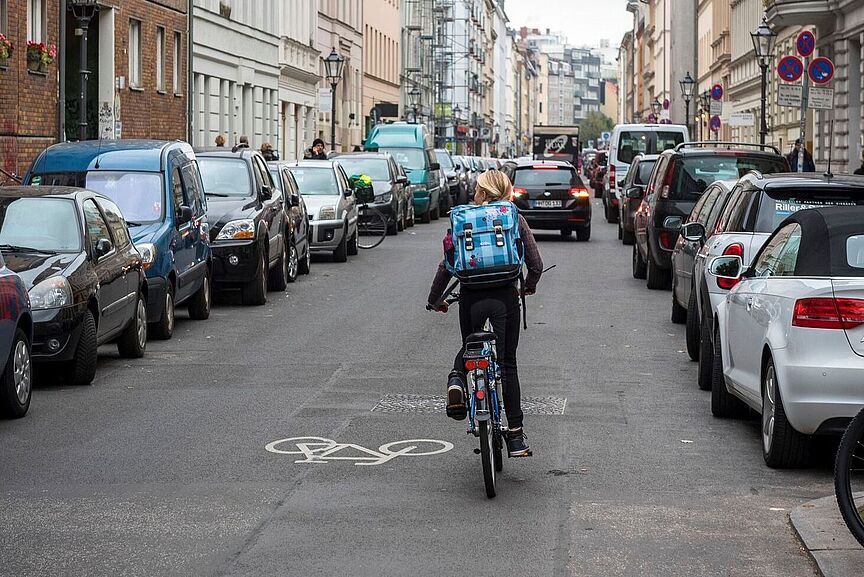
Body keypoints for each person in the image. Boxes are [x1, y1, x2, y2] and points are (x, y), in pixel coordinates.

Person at [426, 170, 544, 457]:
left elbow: (446, 264)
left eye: (477, 190)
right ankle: (515, 436)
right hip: (504, 297)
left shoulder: (462, 217)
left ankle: (457, 380)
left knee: (470, 349)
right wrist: (528, 286)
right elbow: (535, 263)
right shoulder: (512, 216)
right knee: (507, 364)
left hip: (471, 297)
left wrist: (435, 299)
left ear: (482, 192)